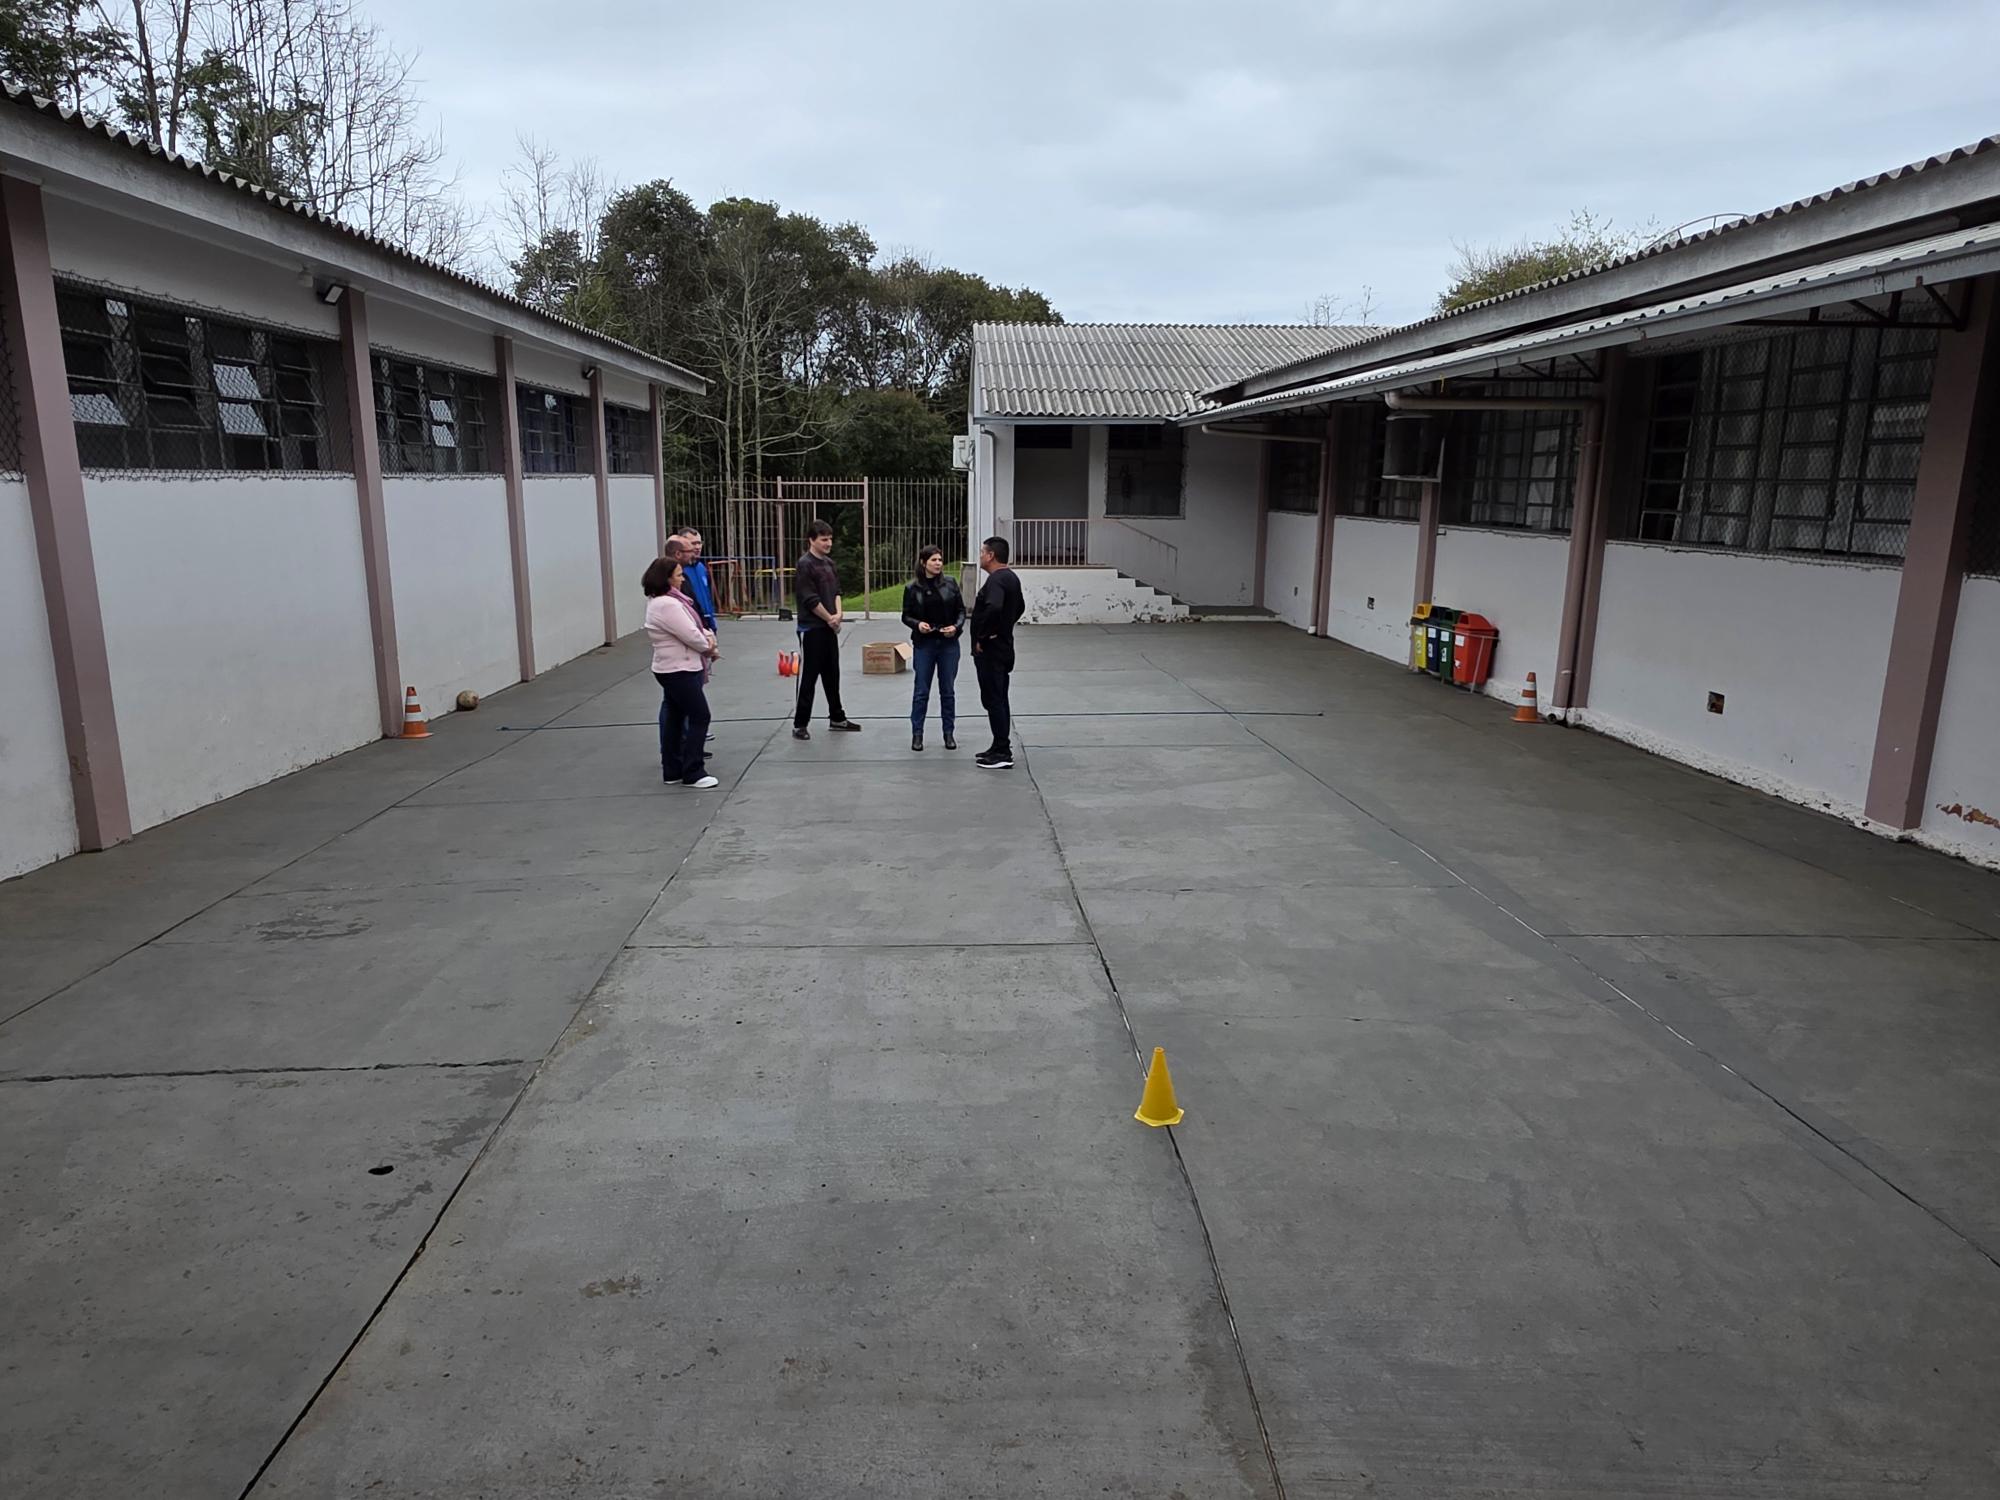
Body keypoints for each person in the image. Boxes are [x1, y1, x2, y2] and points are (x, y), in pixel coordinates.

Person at [643, 554, 720, 788]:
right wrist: (709, 645)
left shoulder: (664, 601)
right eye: (678, 575)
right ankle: (693, 771)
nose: (682, 579)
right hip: (679, 669)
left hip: (672, 667)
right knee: (700, 715)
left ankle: (673, 769)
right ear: (667, 578)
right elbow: (691, 634)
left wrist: (706, 638)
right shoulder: (668, 605)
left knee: (675, 717)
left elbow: (693, 629)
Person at [792, 520, 862, 740]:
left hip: (829, 627)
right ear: (811, 540)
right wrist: (829, 618)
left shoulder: (830, 563)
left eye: (830, 539)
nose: (828, 543)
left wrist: (838, 614)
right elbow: (809, 599)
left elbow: (837, 592)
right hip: (812, 628)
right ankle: (800, 724)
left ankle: (837, 717)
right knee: (810, 676)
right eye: (824, 539)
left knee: (832, 674)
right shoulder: (805, 564)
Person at [901, 545, 964, 752]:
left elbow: (961, 611)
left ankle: (949, 733)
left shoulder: (951, 583)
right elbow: (906, 615)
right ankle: (917, 734)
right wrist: (918, 624)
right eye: (933, 560)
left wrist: (955, 627)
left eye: (940, 560)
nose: (938, 563)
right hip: (924, 644)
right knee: (921, 691)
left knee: (948, 691)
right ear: (923, 563)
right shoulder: (912, 588)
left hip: (948, 643)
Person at [971, 535, 1025, 770]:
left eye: (983, 552)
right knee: (998, 698)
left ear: (991, 555)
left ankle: (1003, 752)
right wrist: (1005, 627)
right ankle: (998, 744)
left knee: (994, 699)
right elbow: (1020, 607)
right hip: (1003, 647)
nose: (981, 556)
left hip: (992, 651)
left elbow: (994, 607)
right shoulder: (1010, 578)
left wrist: (984, 636)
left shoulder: (996, 580)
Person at [672, 526, 718, 743]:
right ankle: (690, 730)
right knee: (687, 689)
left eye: (699, 543)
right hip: (693, 633)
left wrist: (711, 626)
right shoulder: (679, 573)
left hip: (705, 626)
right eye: (692, 544)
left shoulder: (699, 568)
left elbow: (704, 599)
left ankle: (694, 728)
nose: (697, 548)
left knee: (700, 680)